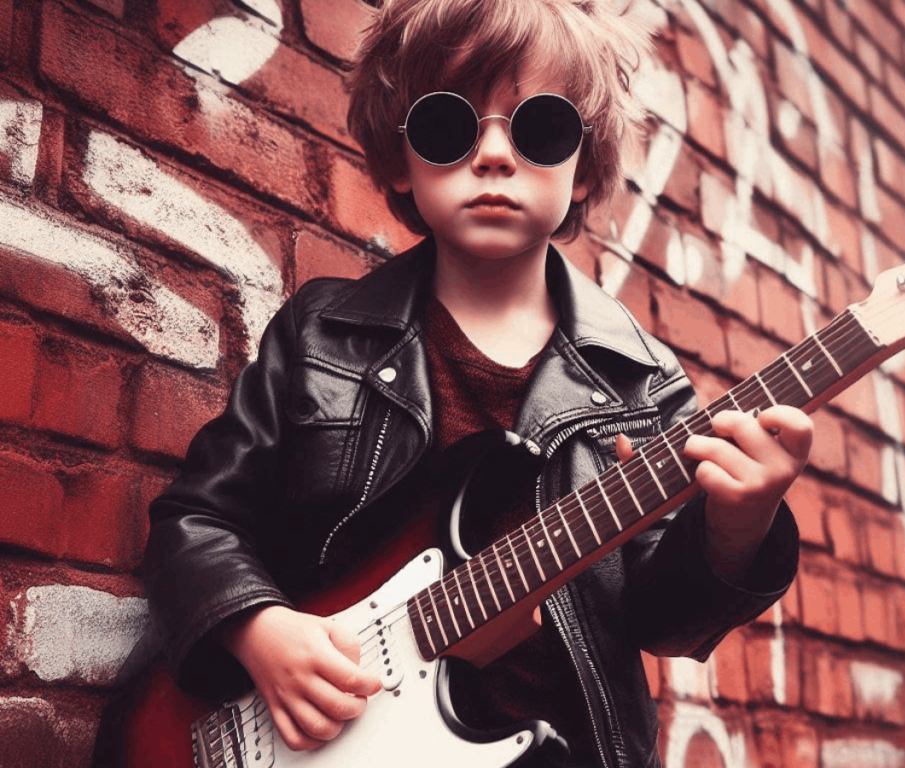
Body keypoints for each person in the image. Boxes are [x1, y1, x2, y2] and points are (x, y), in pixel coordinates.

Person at [143, 1, 814, 766]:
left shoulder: (646, 384)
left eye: (541, 129)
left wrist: (739, 525)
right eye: (447, 126)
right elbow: (197, 518)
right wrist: (255, 627)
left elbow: (666, 621)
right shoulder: (321, 334)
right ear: (399, 159)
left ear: (585, 164)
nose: (494, 155)